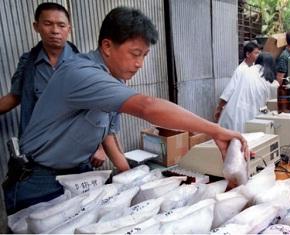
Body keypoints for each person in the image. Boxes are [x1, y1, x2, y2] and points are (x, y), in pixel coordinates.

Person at [4, 7, 249, 214]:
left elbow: (106, 132)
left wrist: (130, 174)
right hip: (39, 180)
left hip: (76, 175)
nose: (139, 64)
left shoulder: (112, 79)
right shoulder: (80, 72)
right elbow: (147, 106)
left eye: (144, 55)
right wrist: (216, 130)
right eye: (134, 54)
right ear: (107, 46)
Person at [0, 3, 108, 170]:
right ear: (36, 26)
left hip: (77, 150)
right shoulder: (28, 63)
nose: (55, 31)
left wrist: (100, 147)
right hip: (40, 150)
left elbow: (98, 108)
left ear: (69, 29)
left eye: (61, 25)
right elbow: (15, 96)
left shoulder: (84, 64)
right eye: (48, 24)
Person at [215, 52, 279, 132]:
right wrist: (267, 113)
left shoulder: (243, 70)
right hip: (250, 120)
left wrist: (219, 108)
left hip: (230, 115)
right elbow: (265, 107)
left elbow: (229, 91)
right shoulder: (271, 83)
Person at [214, 41, 260, 122]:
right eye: (256, 53)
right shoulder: (240, 70)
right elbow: (230, 90)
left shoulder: (254, 69)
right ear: (248, 54)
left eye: (258, 53)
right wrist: (219, 107)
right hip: (240, 108)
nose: (258, 56)